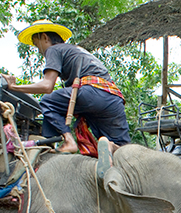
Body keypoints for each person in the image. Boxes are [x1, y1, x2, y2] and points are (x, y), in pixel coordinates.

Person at [1, 19, 130, 153]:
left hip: (92, 92)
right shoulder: (75, 50)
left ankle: (66, 141)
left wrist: (14, 87)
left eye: (36, 44)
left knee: (48, 101)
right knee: (123, 149)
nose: (39, 50)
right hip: (113, 98)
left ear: (45, 37)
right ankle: (113, 147)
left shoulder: (53, 50)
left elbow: (47, 86)